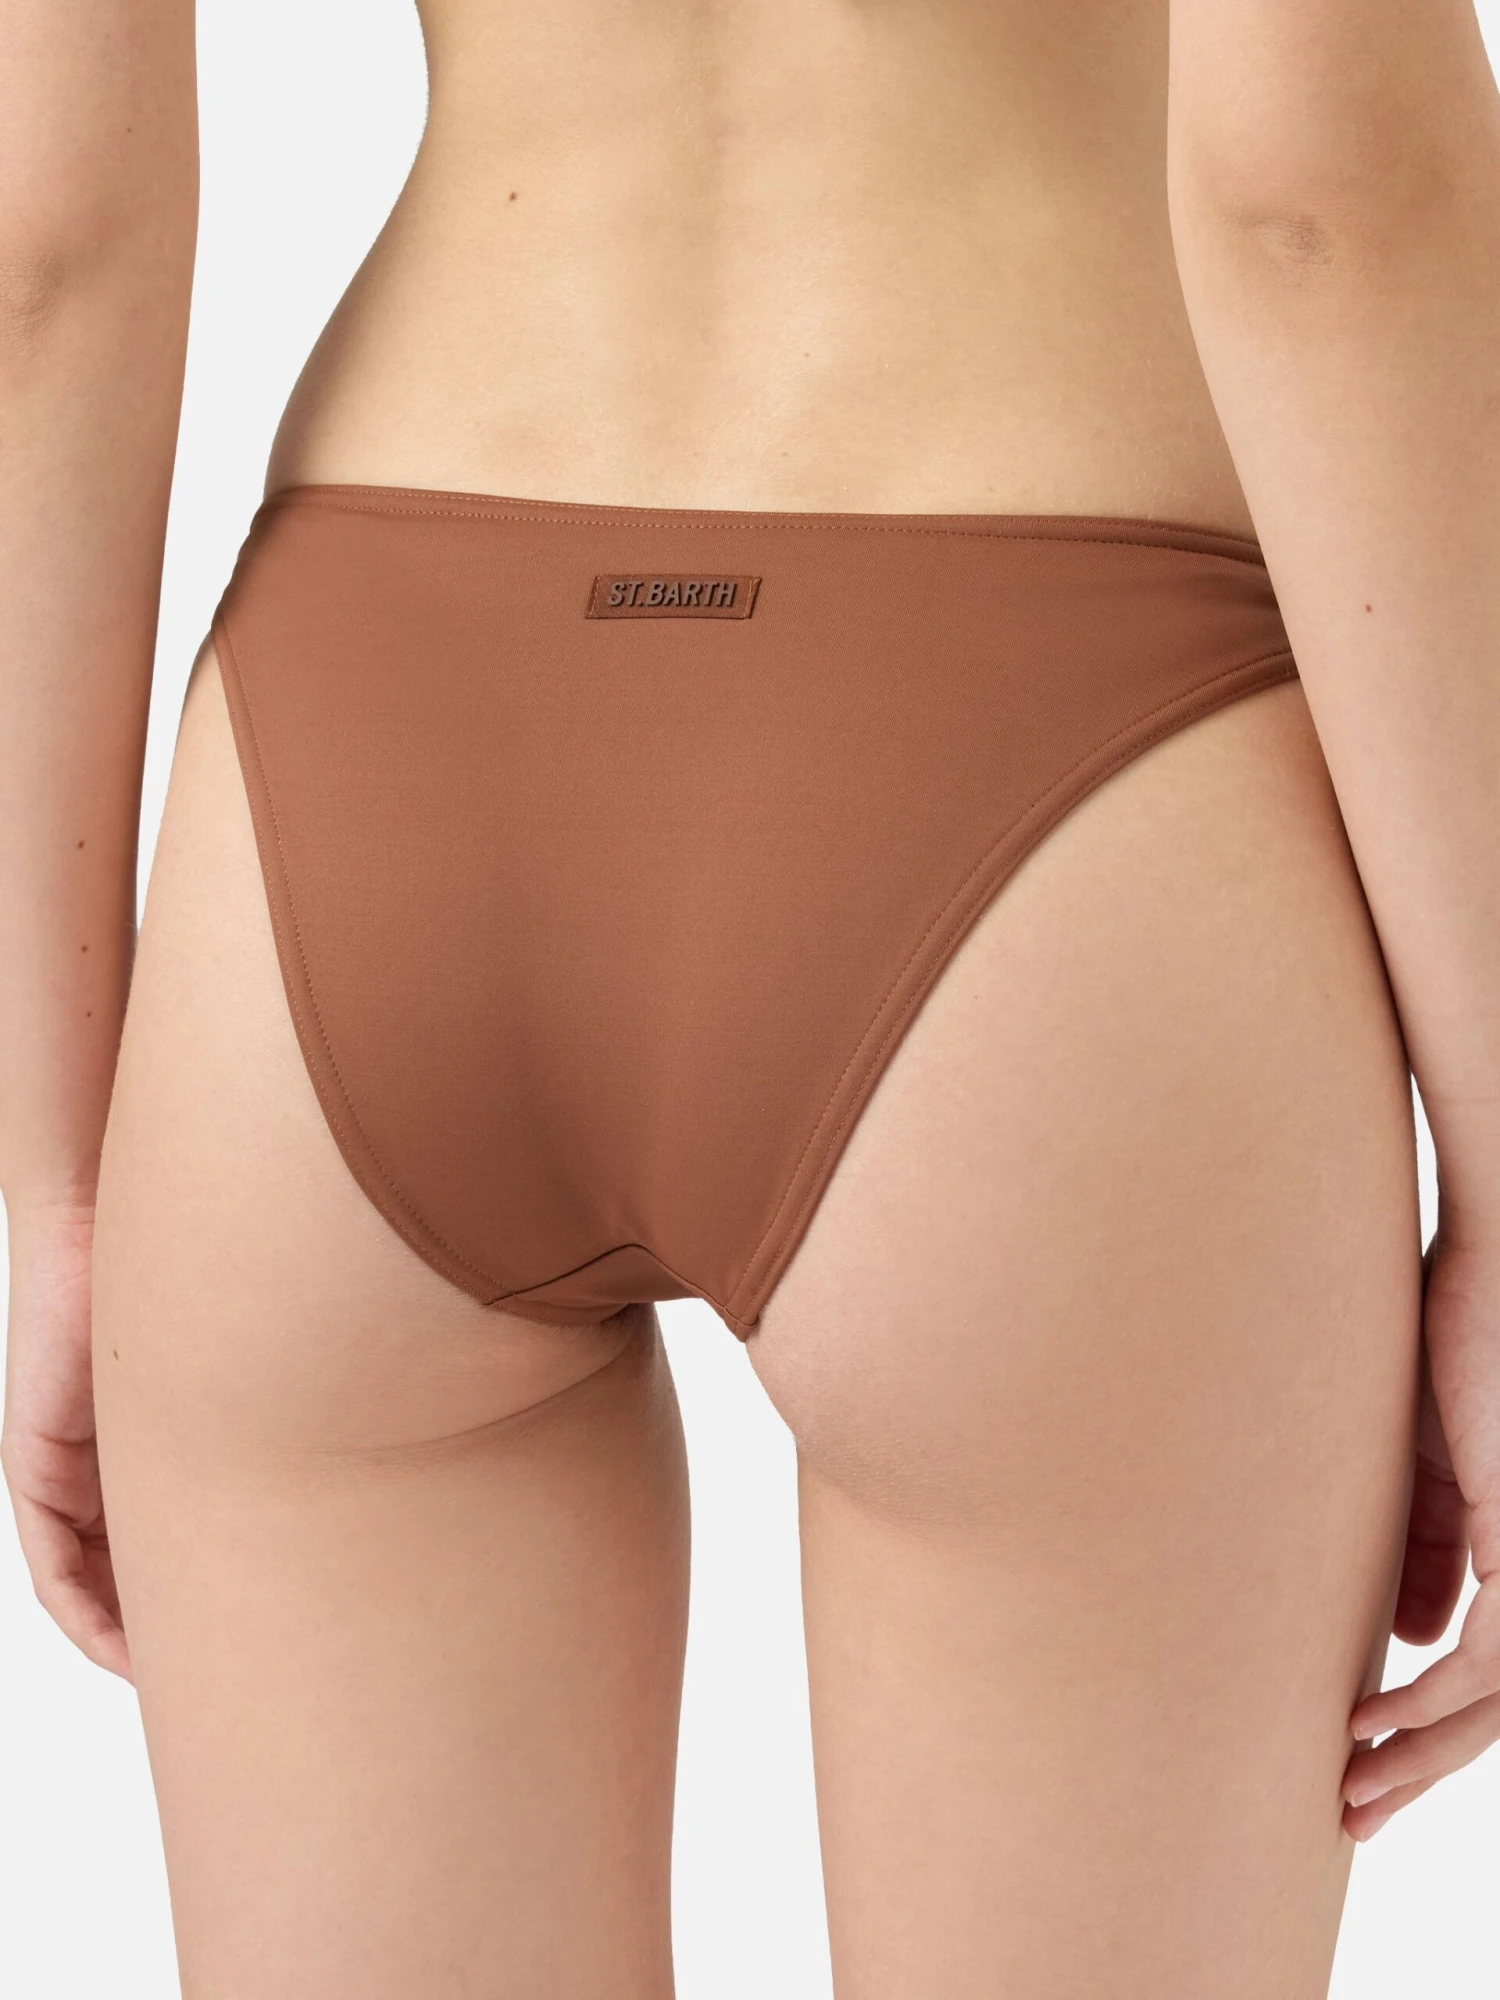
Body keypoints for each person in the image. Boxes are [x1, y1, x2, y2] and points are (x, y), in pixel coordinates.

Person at [3, 0, 1499, 1991]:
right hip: (1060, 745)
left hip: (366, 733)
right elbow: (1321, 197)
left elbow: (44, 253)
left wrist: (58, 1177)